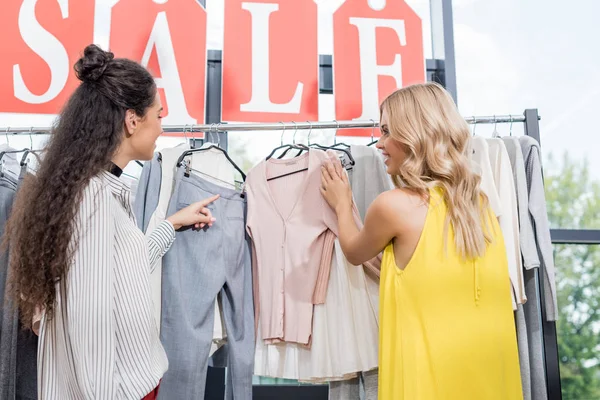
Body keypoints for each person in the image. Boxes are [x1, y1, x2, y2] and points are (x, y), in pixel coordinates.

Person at [5, 44, 220, 399]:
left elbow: (123, 273)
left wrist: (171, 225)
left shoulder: (93, 190)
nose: (161, 127)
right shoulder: (94, 202)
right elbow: (93, 325)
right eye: (159, 115)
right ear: (133, 120)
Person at [320, 82, 523, 399]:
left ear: (415, 133)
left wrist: (342, 204)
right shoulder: (479, 205)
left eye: (387, 131)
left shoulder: (394, 205)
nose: (379, 143)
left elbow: (354, 252)